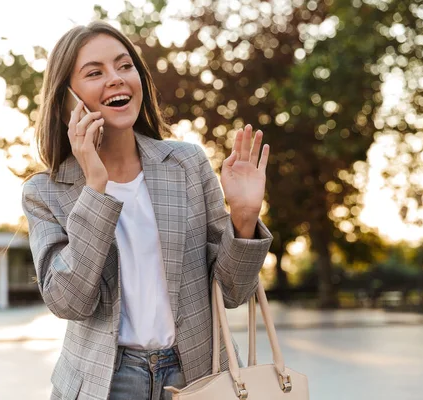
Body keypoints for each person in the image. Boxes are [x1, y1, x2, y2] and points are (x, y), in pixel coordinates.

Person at [22, 21, 273, 400]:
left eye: (125, 66)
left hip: (198, 376)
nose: (116, 79)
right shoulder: (45, 192)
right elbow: (69, 301)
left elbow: (233, 292)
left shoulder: (187, 163)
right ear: (66, 102)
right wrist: (95, 184)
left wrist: (244, 217)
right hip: (106, 384)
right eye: (95, 72)